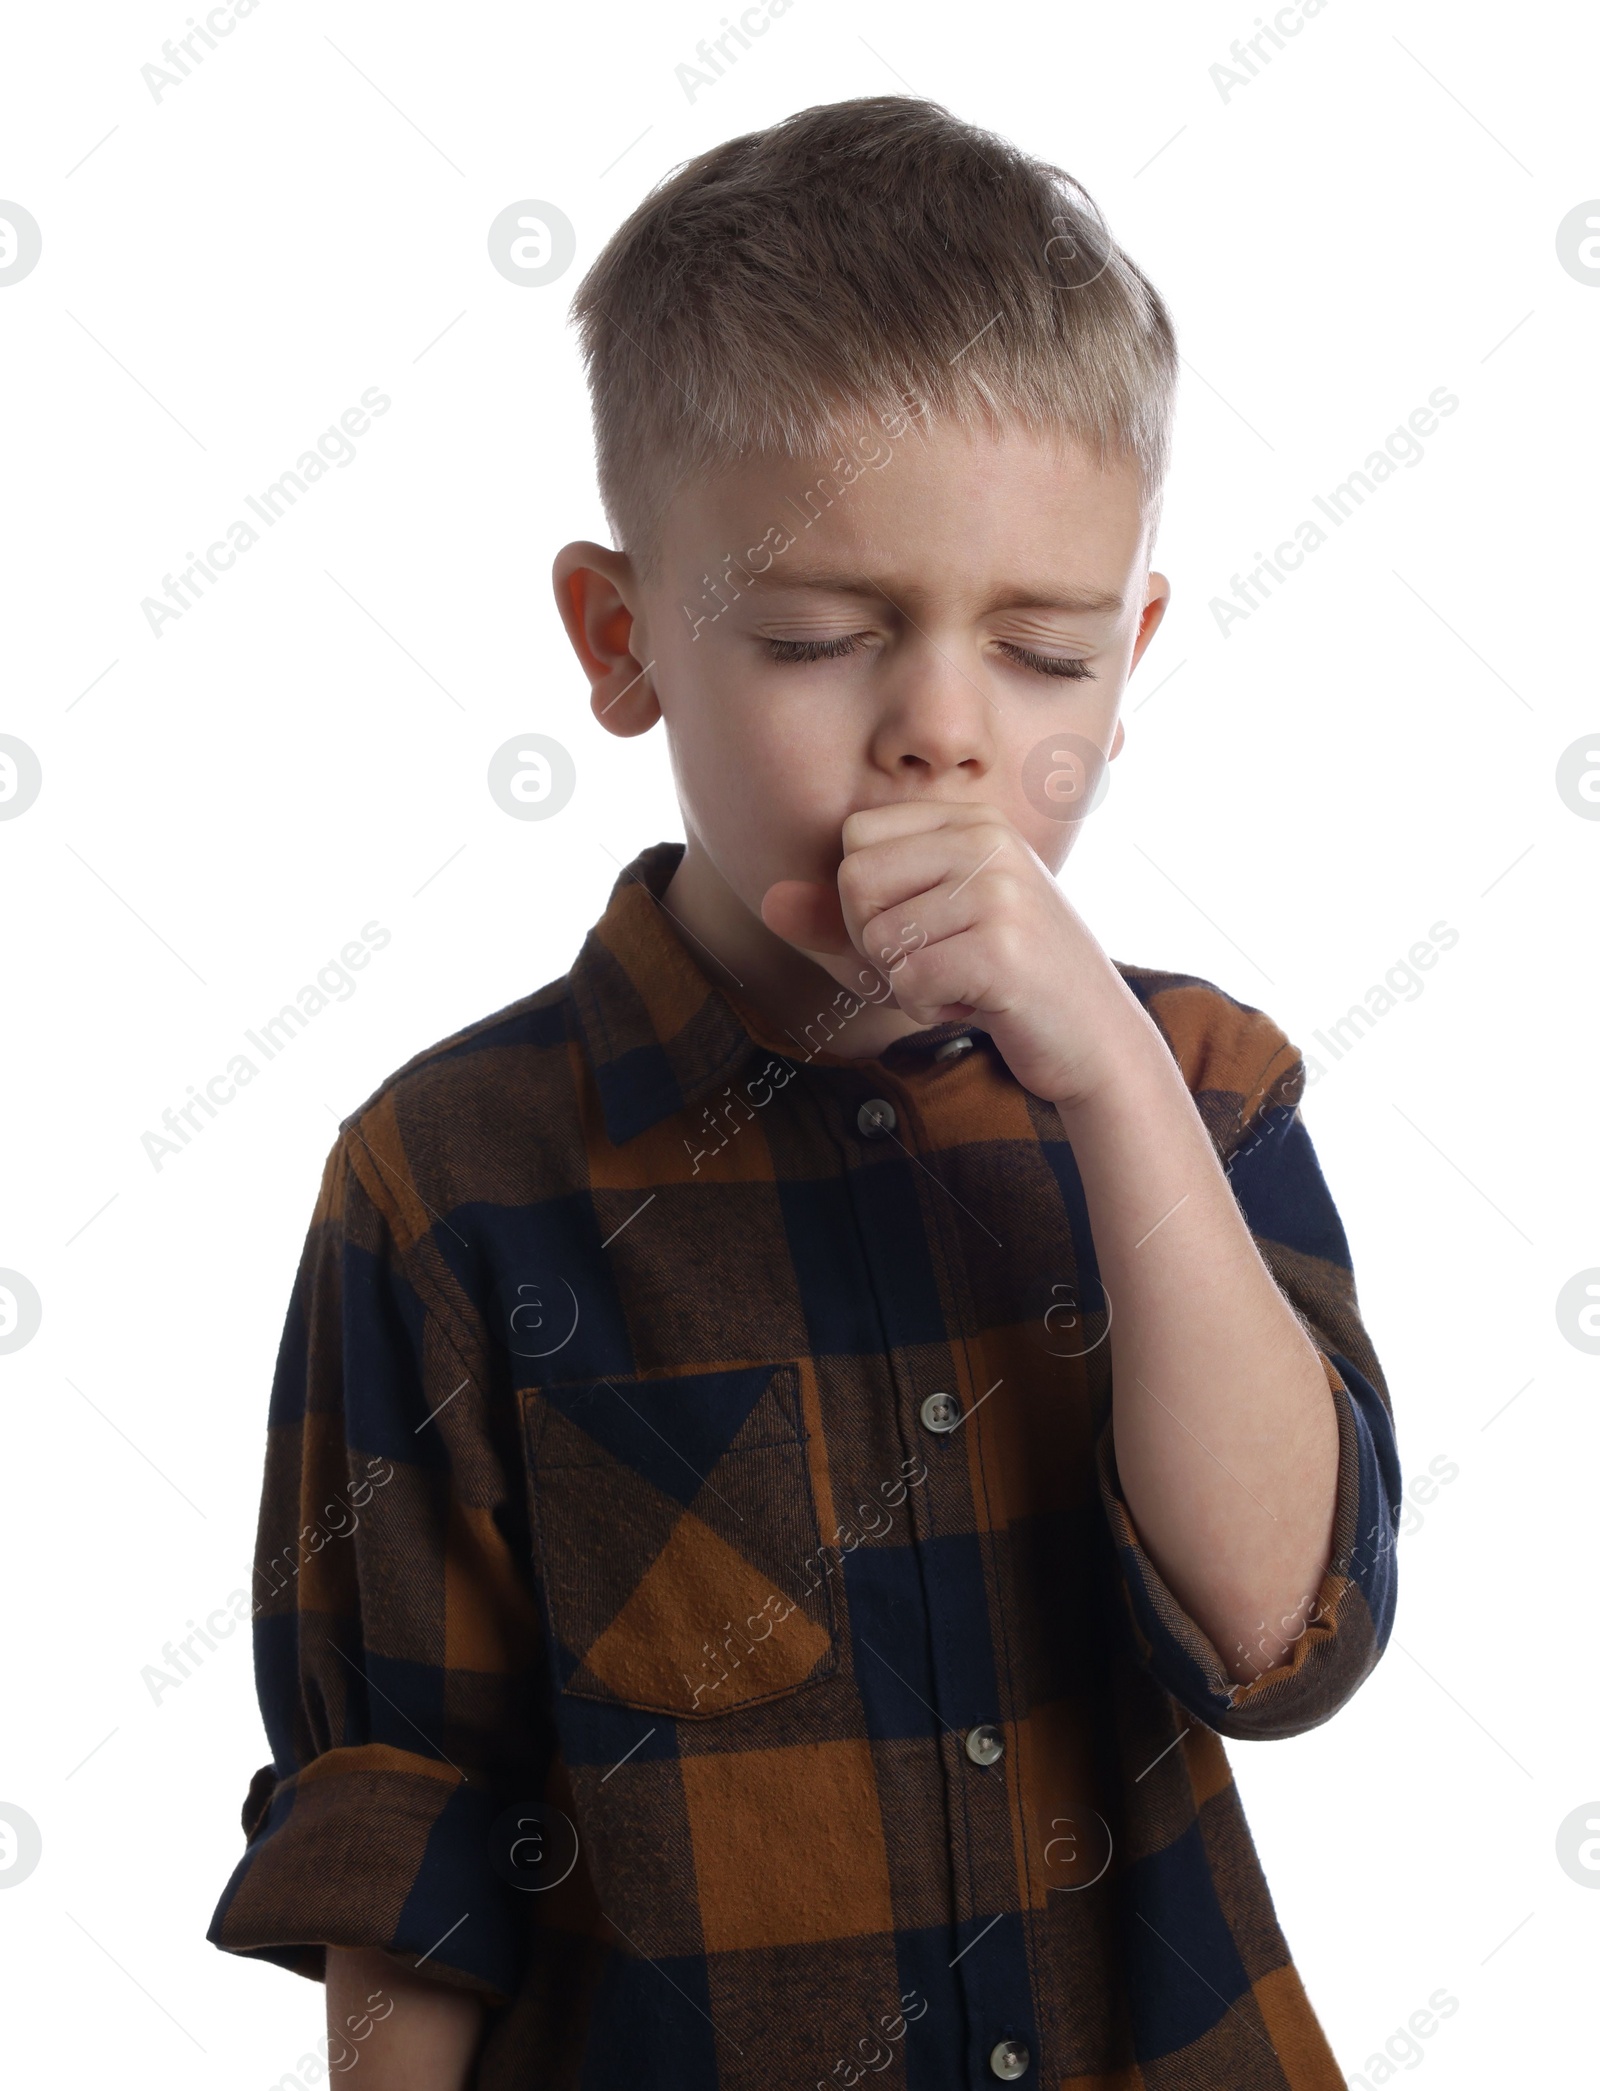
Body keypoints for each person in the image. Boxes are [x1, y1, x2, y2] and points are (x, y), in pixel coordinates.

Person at [208, 95, 1400, 2090]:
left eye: (1039, 654)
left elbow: (1283, 1627)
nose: (940, 732)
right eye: (821, 635)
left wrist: (1106, 1077)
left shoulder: (1198, 1082)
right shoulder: (448, 1181)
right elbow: (404, 1820)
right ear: (620, 640)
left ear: (1132, 654)